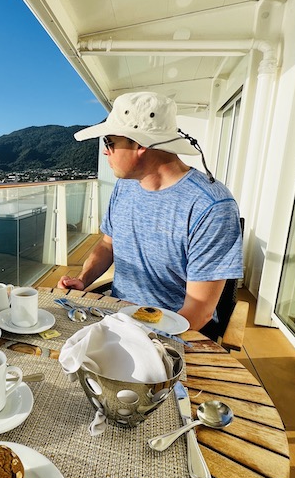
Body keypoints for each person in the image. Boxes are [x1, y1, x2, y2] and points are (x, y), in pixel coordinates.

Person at [59, 91, 243, 334]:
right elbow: (107, 244)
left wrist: (141, 342)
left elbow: (199, 312)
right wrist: (83, 279)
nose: (106, 152)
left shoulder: (211, 206)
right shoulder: (125, 186)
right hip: (117, 320)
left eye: (109, 142)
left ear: (139, 144)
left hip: (174, 332)